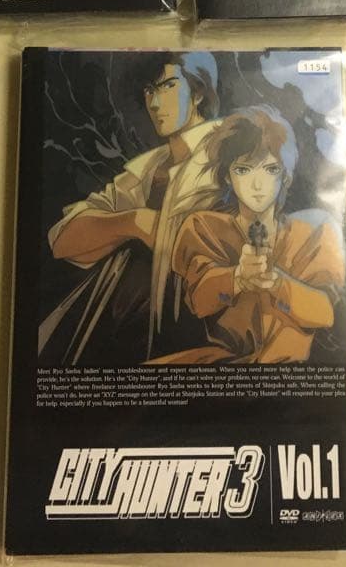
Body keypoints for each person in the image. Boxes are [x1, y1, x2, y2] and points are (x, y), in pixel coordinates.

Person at [42, 52, 221, 364]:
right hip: (121, 328)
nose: (155, 103)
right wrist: (134, 222)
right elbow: (63, 241)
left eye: (168, 86)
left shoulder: (231, 154)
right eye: (149, 91)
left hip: (199, 329)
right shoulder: (147, 168)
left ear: (199, 92)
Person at [155, 106, 345, 364]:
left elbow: (324, 314)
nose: (257, 184)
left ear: (286, 176)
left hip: (288, 371)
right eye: (244, 170)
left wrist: (276, 283)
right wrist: (237, 279)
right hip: (223, 365)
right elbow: (199, 302)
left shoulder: (311, 233)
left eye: (270, 169)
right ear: (227, 176)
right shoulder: (204, 227)